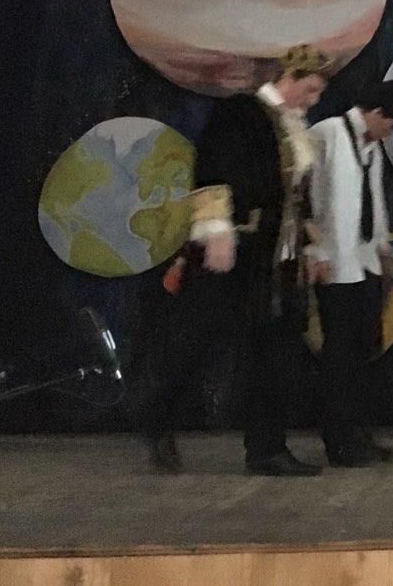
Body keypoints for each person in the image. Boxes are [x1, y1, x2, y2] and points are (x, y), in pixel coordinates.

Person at [141, 45, 330, 476]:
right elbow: (212, 172)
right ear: (289, 79)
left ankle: (267, 449)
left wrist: (309, 249)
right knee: (197, 341)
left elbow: (297, 199)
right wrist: (216, 231)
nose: (314, 100)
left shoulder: (294, 128)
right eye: (310, 89)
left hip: (277, 258)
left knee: (274, 350)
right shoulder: (242, 113)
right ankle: (157, 415)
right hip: (236, 248)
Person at [307, 80, 393, 468]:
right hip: (335, 262)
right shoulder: (326, 134)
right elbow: (308, 200)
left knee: (363, 352)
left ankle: (357, 434)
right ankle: (338, 440)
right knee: (338, 357)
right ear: (376, 113)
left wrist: (384, 251)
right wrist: (315, 251)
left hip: (365, 261)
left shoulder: (372, 147)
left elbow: (376, 202)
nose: (391, 133)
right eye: (392, 125)